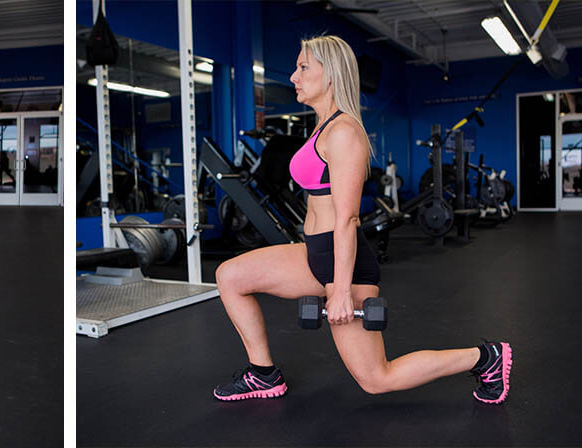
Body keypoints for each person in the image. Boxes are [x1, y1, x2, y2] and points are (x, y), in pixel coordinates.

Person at [212, 35, 511, 404]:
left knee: (376, 379)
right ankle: (263, 374)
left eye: (304, 67)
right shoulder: (322, 127)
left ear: (332, 74)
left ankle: (485, 358)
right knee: (230, 275)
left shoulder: (344, 133)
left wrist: (339, 290)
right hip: (315, 252)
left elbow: (348, 218)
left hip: (343, 264)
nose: (293, 76)